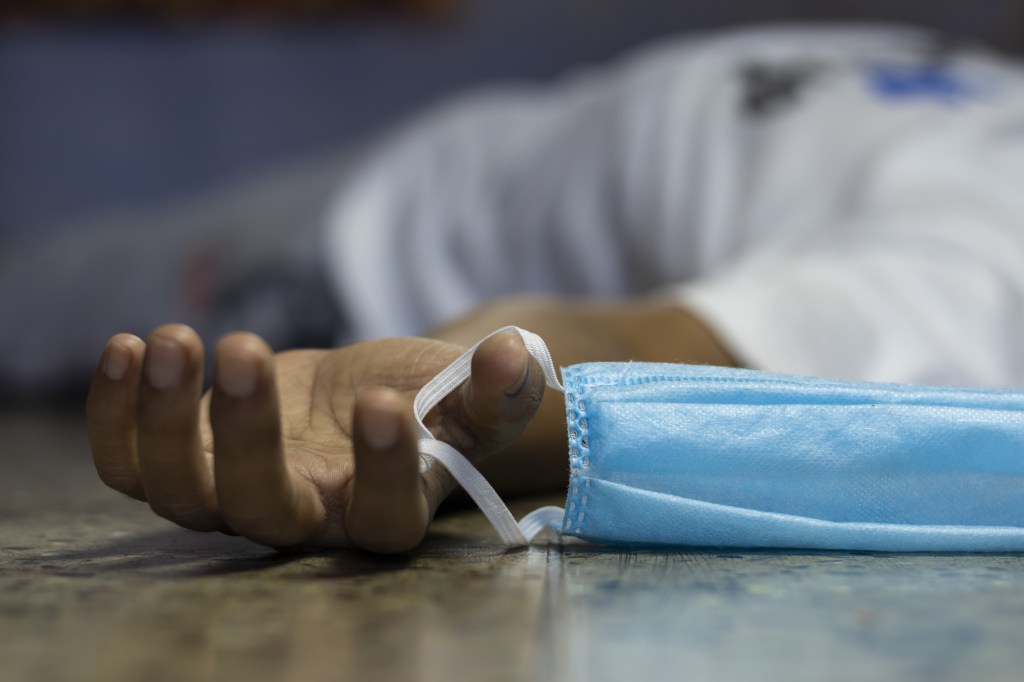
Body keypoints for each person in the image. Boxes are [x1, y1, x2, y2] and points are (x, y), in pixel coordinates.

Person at [48, 24, 1024, 552]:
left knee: (44, 298)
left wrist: (452, 392)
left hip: (352, 263)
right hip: (446, 167)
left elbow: (648, 357)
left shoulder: (980, 269)